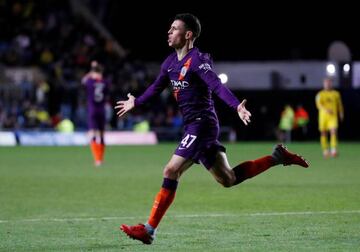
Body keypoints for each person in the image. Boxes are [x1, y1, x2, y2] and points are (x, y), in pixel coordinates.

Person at [115, 13, 309, 245]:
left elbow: (216, 85)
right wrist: (136, 101)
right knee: (228, 179)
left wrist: (237, 106)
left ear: (188, 35)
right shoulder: (169, 63)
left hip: (202, 124)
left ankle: (149, 229)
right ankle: (277, 158)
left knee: (170, 170)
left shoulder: (197, 60)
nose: (169, 32)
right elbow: (156, 88)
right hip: (193, 126)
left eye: (174, 28)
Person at [82, 61, 109, 166]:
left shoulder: (90, 81)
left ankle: (97, 159)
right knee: (102, 135)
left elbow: (83, 80)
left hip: (92, 109)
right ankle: (101, 159)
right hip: (102, 109)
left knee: (93, 133)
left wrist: (91, 69)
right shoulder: (105, 82)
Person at [315, 77, 344, 158]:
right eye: (326, 83)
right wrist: (326, 110)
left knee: (333, 131)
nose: (328, 84)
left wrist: (341, 113)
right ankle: (325, 150)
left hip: (333, 116)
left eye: (329, 83)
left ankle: (333, 149)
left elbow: (339, 104)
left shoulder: (336, 94)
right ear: (324, 84)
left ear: (331, 84)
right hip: (323, 117)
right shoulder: (320, 94)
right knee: (323, 133)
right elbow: (318, 105)